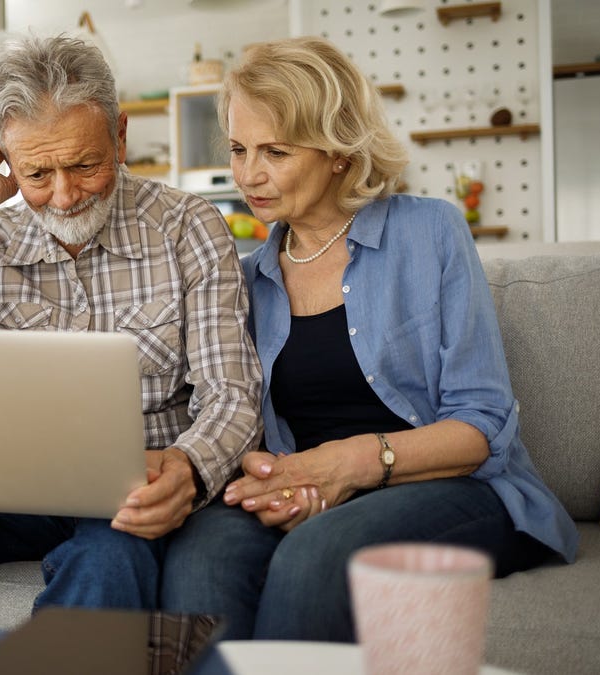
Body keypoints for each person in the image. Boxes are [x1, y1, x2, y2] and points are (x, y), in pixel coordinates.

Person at [0, 34, 262, 674]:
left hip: (123, 494)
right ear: (5, 158)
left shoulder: (188, 227)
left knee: (111, 563)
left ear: (119, 135)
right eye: (36, 173)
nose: (64, 195)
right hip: (4, 484)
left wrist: (190, 469)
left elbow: (232, 393)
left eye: (85, 165)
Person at [160, 36, 578, 643]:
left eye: (276, 150)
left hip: (452, 488)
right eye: (239, 149)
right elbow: (235, 413)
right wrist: (288, 482)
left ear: (337, 150)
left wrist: (349, 466)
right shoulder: (246, 278)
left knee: (317, 555)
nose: (248, 174)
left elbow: (482, 424)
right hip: (306, 488)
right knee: (199, 556)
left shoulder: (430, 231)